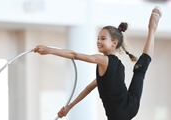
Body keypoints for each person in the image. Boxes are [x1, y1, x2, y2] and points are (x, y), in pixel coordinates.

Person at [33, 6, 161, 120]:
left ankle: (152, 27)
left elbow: (75, 55)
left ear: (114, 43)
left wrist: (49, 50)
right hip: (129, 105)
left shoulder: (104, 60)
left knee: (140, 70)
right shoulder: (114, 65)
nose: (98, 41)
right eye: (98, 38)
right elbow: (89, 88)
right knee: (140, 70)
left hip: (121, 112)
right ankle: (152, 30)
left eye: (103, 39)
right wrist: (69, 108)